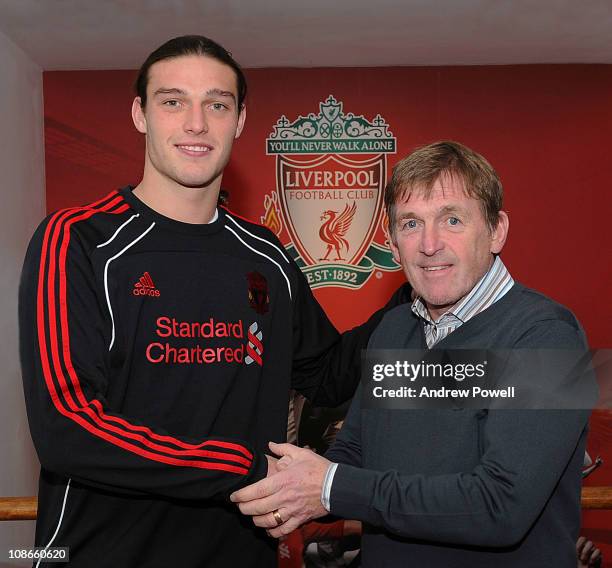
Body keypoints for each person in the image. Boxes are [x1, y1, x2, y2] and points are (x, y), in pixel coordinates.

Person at [19, 35, 408, 567]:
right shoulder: (78, 240)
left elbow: (328, 374)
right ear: (140, 114)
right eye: (173, 101)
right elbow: (67, 427)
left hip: (236, 554)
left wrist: (418, 287)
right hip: (102, 553)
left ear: (240, 120)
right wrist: (248, 469)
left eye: (217, 104)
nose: (196, 123)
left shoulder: (265, 253)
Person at [232, 141, 592, 566]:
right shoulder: (396, 327)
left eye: (452, 219)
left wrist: (331, 487)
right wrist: (294, 483)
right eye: (410, 224)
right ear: (393, 241)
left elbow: (501, 507)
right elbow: (356, 453)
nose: (429, 244)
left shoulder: (547, 335)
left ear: (497, 230)